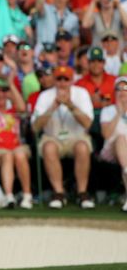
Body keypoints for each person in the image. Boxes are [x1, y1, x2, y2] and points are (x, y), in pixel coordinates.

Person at [31, 66, 94, 209]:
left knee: (82, 147)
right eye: (59, 79)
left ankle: (82, 192)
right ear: (54, 80)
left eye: (66, 79)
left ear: (72, 80)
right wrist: (53, 106)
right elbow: (35, 127)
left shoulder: (81, 93)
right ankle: (59, 192)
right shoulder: (45, 96)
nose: (62, 83)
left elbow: (87, 123)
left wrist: (71, 105)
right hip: (52, 136)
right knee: (48, 148)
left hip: (77, 136)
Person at [0, 76, 33, 209]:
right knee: (7, 156)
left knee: (19, 155)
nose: (0, 94)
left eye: (4, 91)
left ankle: (27, 196)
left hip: (16, 146)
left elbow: (22, 108)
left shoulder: (13, 110)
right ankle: (9, 196)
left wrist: (12, 86)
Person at [98, 76, 127, 212]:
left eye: (125, 88)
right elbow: (106, 135)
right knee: (120, 138)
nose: (122, 92)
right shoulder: (108, 111)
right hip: (111, 149)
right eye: (119, 88)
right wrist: (119, 113)